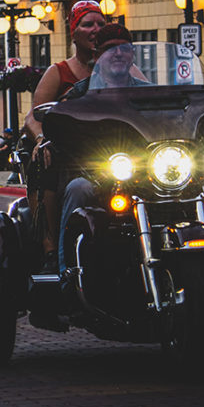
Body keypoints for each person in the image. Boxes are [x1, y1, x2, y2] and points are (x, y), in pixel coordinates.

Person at [23, 0, 107, 272]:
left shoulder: (121, 69)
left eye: (101, 24)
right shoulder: (59, 72)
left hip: (111, 154)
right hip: (70, 154)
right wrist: (41, 140)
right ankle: (55, 253)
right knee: (50, 165)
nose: (96, 29)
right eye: (88, 24)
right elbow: (33, 117)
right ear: (74, 32)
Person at [55, 23, 136, 272]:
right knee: (78, 189)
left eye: (124, 48)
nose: (118, 54)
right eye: (111, 49)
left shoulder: (148, 92)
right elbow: (61, 127)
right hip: (95, 174)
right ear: (98, 56)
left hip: (143, 172)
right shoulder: (80, 94)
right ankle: (67, 271)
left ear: (133, 54)